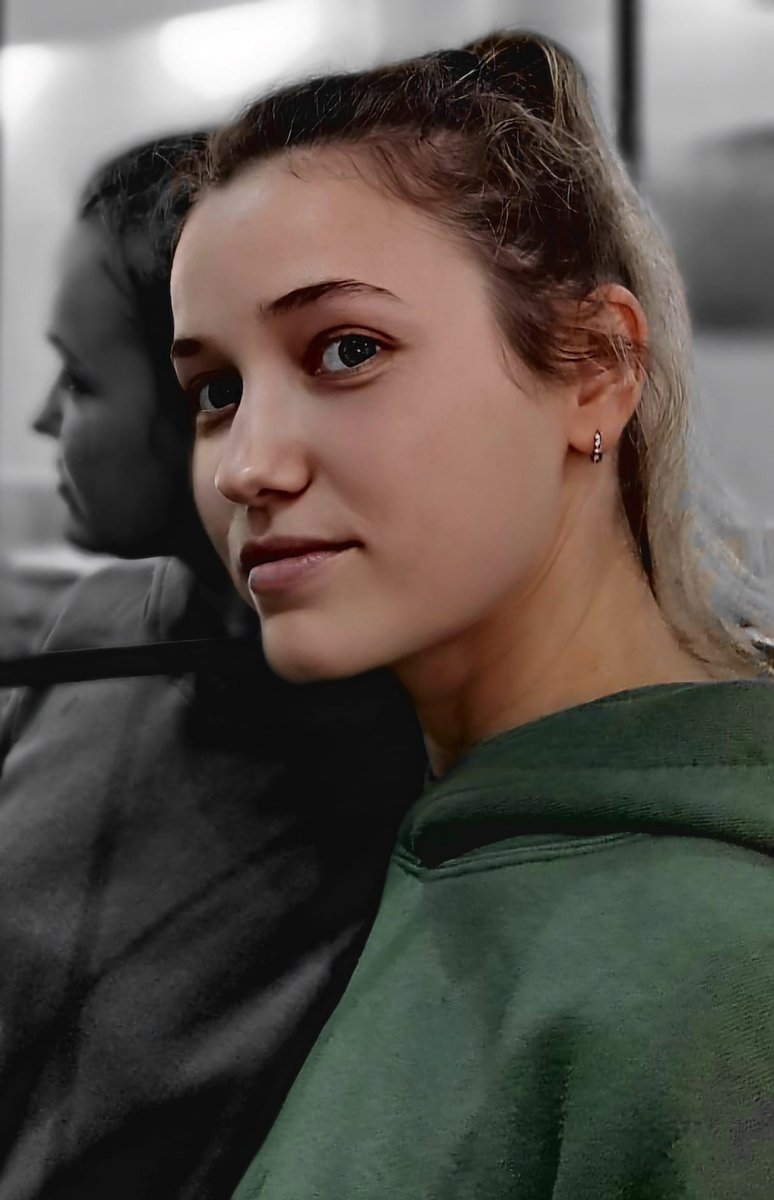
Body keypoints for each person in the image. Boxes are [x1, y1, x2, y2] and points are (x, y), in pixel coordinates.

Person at [168, 30, 774, 1197]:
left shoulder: (718, 968)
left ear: (596, 368)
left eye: (347, 350)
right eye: (217, 390)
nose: (247, 466)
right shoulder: (446, 839)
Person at [0, 134, 426, 1199]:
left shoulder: (402, 761)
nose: (43, 417)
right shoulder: (97, 626)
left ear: (205, 401)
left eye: (81, 378)